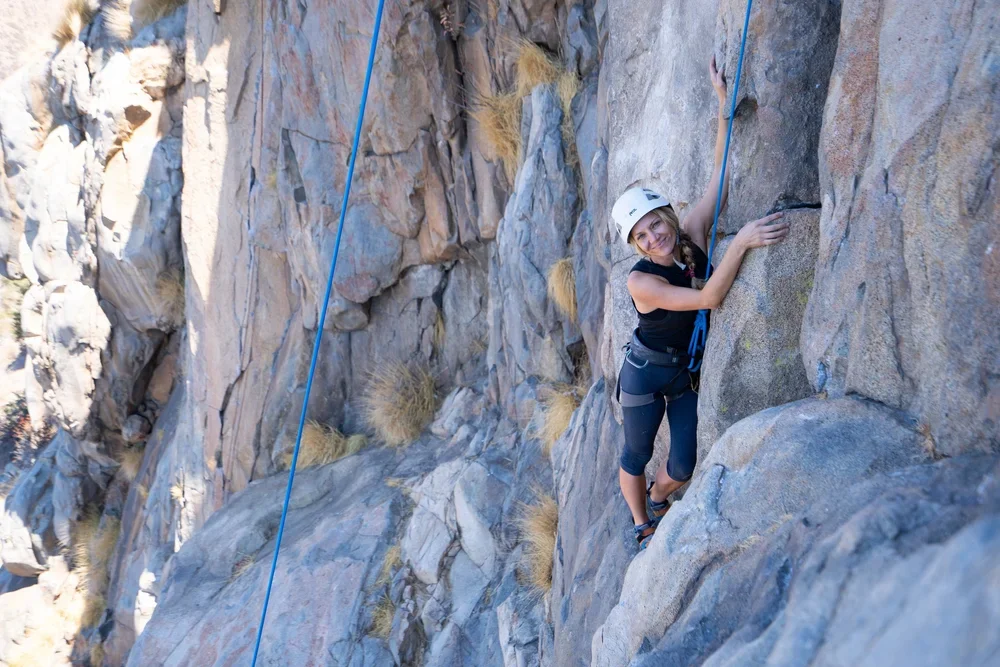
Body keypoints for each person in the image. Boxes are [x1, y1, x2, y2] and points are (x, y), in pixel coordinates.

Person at [611, 56, 790, 550]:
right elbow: (709, 297)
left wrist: (721, 110)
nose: (655, 237)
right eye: (643, 236)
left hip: (683, 372)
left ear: (667, 215)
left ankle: (659, 496)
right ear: (637, 246)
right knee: (636, 451)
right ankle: (641, 522)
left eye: (656, 223)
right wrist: (743, 241)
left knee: (683, 465)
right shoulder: (641, 282)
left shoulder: (690, 233)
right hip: (645, 373)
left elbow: (720, 176)